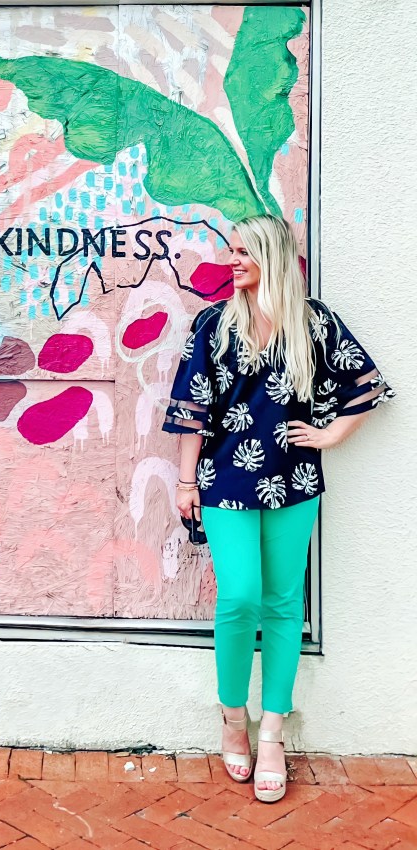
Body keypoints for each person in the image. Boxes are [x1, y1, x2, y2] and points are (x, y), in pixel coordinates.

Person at [161, 214, 394, 803]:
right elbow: (192, 409)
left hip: (295, 479)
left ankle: (272, 732)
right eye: (231, 250)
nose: (232, 260)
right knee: (240, 596)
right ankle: (231, 718)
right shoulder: (214, 324)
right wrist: (186, 483)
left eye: (243, 251)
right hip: (223, 479)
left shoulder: (315, 323)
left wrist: (330, 435)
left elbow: (368, 387)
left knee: (285, 604)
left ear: (271, 256)